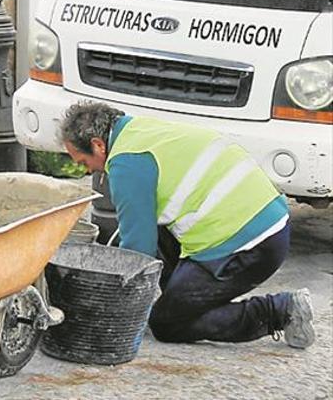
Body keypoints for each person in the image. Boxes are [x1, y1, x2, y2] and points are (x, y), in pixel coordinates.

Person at [58, 101, 315, 348]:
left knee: (167, 324)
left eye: (83, 162)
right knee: (150, 223)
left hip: (251, 242)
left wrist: (110, 308)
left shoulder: (127, 163)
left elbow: (137, 253)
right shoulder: (137, 130)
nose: (87, 171)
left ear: (98, 145)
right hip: (266, 222)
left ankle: (281, 310)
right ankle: (181, 300)